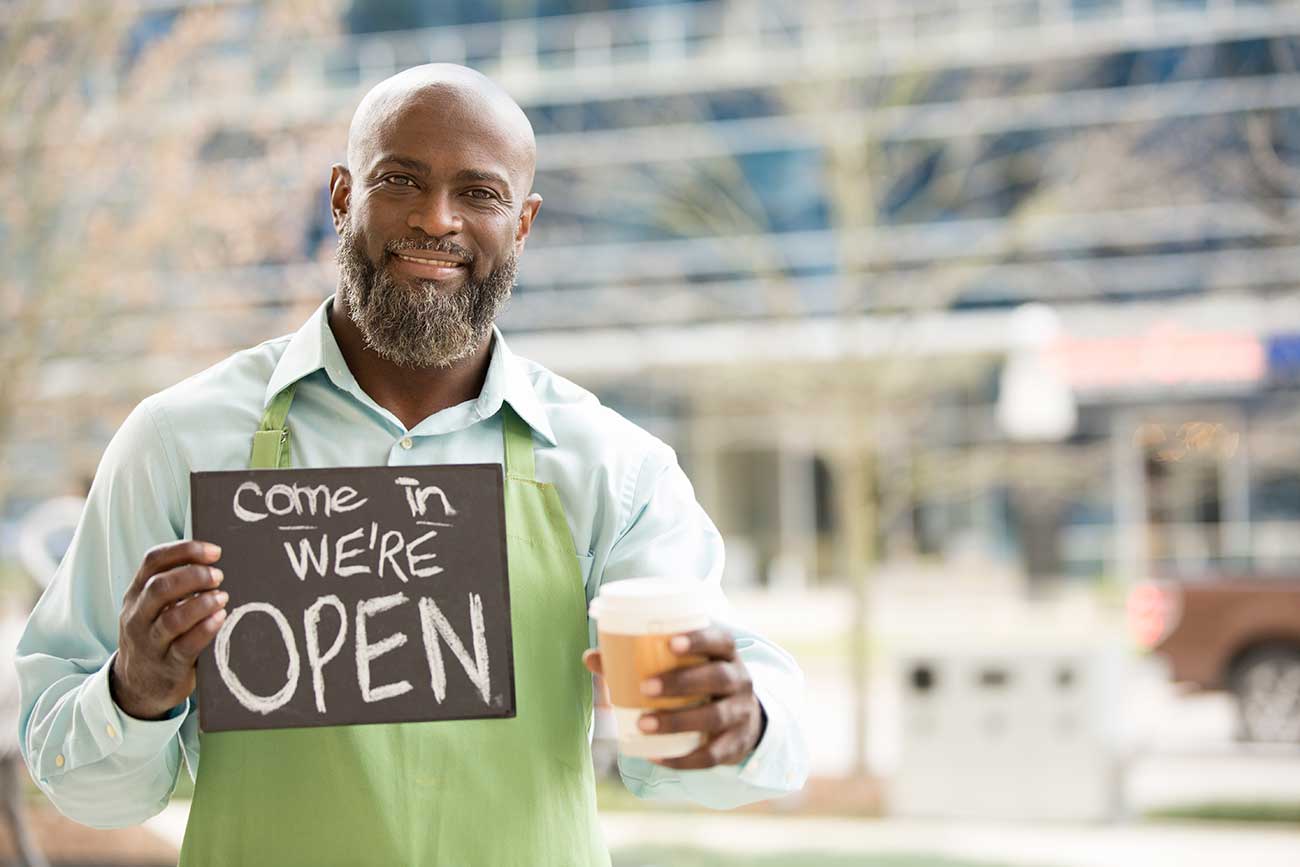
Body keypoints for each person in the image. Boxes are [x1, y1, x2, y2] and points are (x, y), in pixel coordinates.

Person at [16, 64, 807, 865]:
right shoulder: (176, 442)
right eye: (400, 180)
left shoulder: (613, 468)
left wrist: (734, 721)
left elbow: (699, 753)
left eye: (480, 193)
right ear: (340, 196)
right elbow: (84, 788)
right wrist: (134, 693)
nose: (438, 219)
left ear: (524, 223)